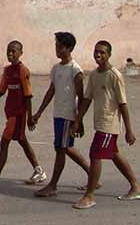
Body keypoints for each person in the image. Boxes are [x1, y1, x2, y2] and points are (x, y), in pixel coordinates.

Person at [71, 40, 140, 210]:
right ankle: (136, 185)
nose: (98, 55)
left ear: (109, 55)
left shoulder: (114, 75)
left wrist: (129, 130)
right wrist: (78, 120)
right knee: (113, 154)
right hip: (99, 123)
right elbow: (87, 99)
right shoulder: (95, 75)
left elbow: (123, 104)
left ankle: (89, 195)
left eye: (102, 52)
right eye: (96, 52)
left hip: (109, 125)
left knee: (95, 154)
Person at [0, 40, 46, 190]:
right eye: (8, 51)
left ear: (20, 53)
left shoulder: (23, 71)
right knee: (22, 141)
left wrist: (29, 117)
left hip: (19, 115)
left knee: (4, 142)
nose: (10, 53)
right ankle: (39, 170)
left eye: (13, 51)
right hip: (10, 113)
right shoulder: (7, 71)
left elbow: (28, 96)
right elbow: (1, 91)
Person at [30, 31, 90, 197]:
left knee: (61, 149)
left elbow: (81, 96)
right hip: (58, 113)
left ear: (69, 48)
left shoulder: (75, 70)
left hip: (68, 115)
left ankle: (53, 185)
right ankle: (93, 175)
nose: (57, 49)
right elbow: (51, 91)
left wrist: (79, 120)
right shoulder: (56, 68)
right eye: (56, 45)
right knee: (64, 147)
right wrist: (39, 112)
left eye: (60, 46)